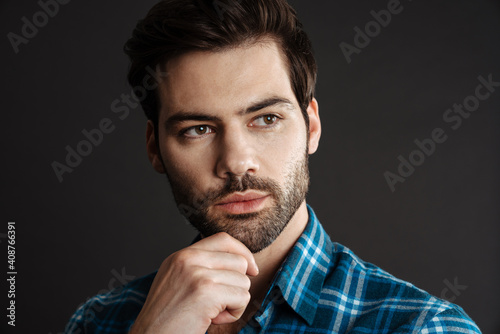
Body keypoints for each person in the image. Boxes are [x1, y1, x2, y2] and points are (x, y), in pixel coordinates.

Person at [65, 0, 481, 333]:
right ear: (155, 149)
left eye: (266, 119)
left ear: (311, 126)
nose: (236, 162)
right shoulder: (100, 321)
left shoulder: (424, 328)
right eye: (198, 129)